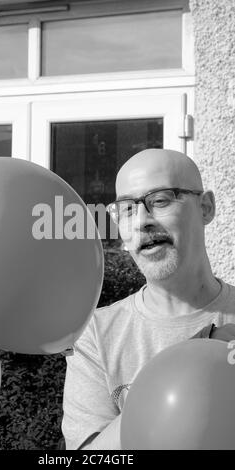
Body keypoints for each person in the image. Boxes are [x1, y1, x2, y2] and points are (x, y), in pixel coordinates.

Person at [61, 148, 235, 450]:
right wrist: (188, 370)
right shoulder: (96, 335)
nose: (142, 221)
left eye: (161, 200)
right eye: (127, 209)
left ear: (206, 207)